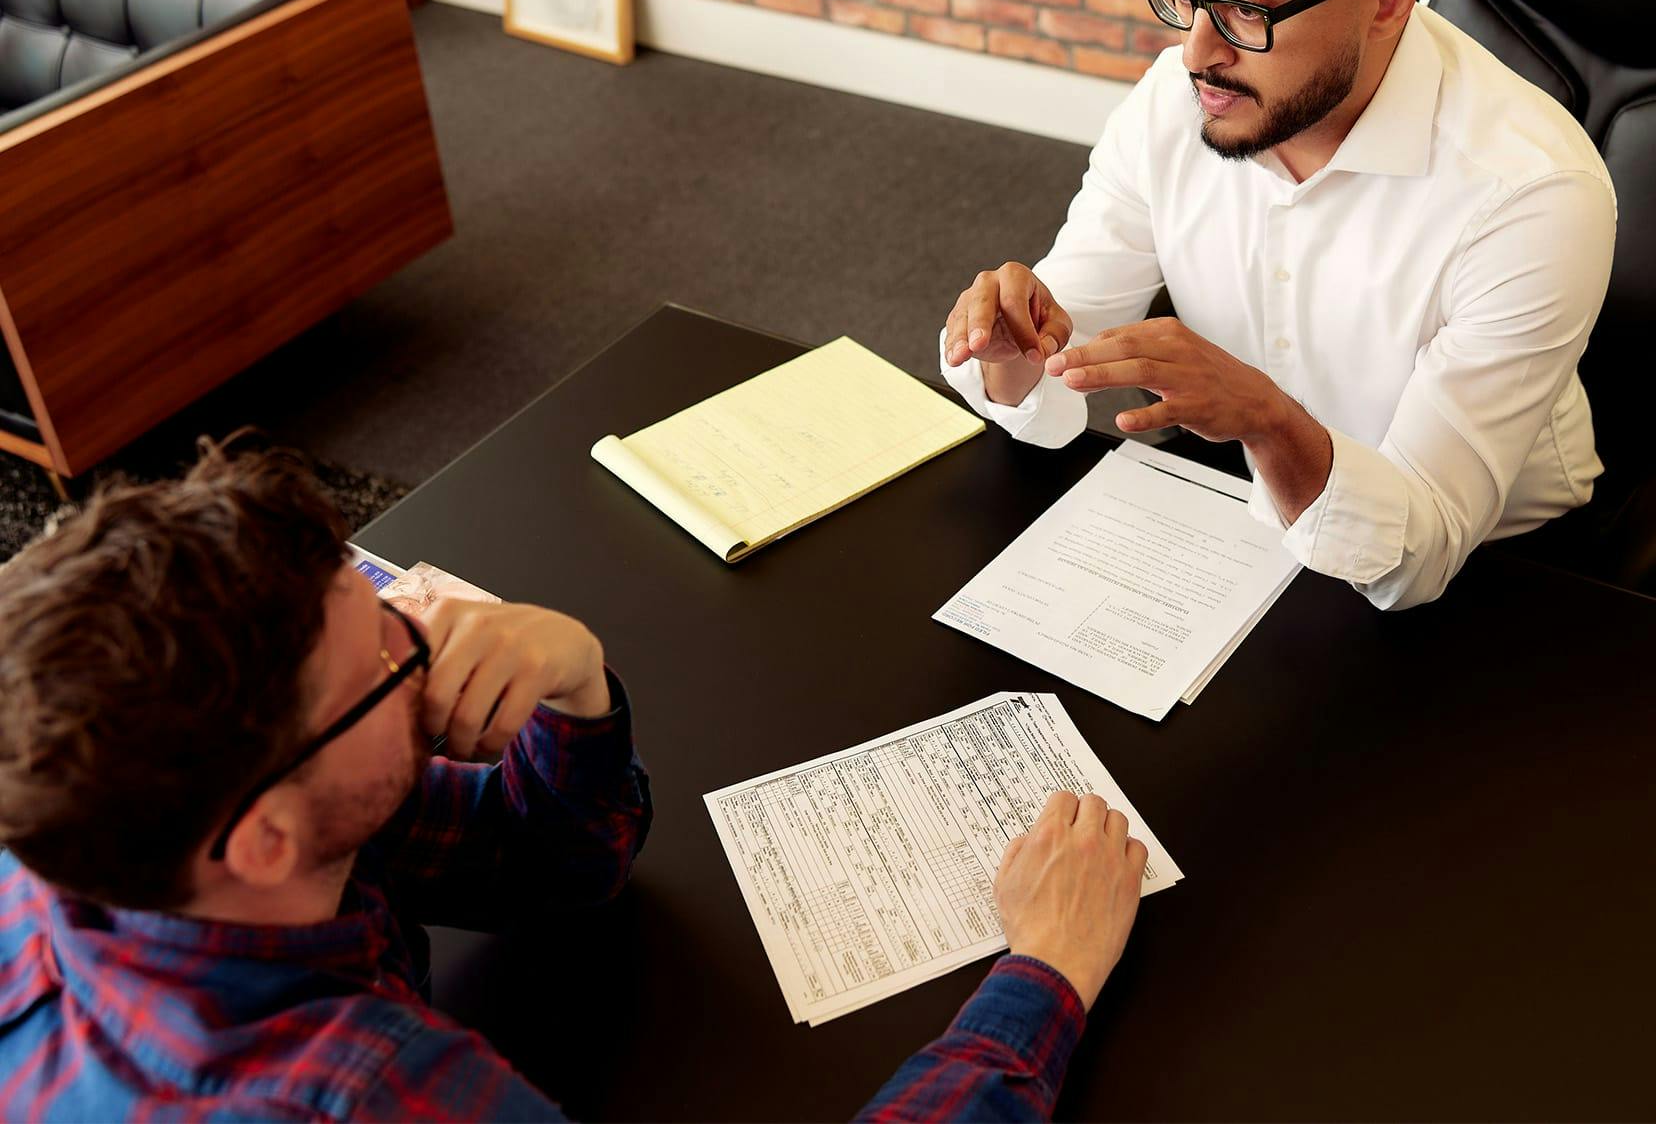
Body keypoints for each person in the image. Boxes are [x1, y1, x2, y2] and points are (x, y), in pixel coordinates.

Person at [0, 443, 1147, 1120]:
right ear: (257, 840)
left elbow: (552, 868)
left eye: (392, 598)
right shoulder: (371, 1091)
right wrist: (1041, 976)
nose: (433, 637)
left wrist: (575, 685)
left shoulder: (125, 812)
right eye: (387, 659)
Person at [942, 0, 1616, 611]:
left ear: (1388, 2)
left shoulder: (1533, 192)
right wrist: (1015, 350)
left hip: (1507, 572)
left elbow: (1417, 556)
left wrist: (1267, 418)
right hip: (1251, 502)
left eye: (1247, 8)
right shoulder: (1177, 98)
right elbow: (1058, 355)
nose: (1196, 50)